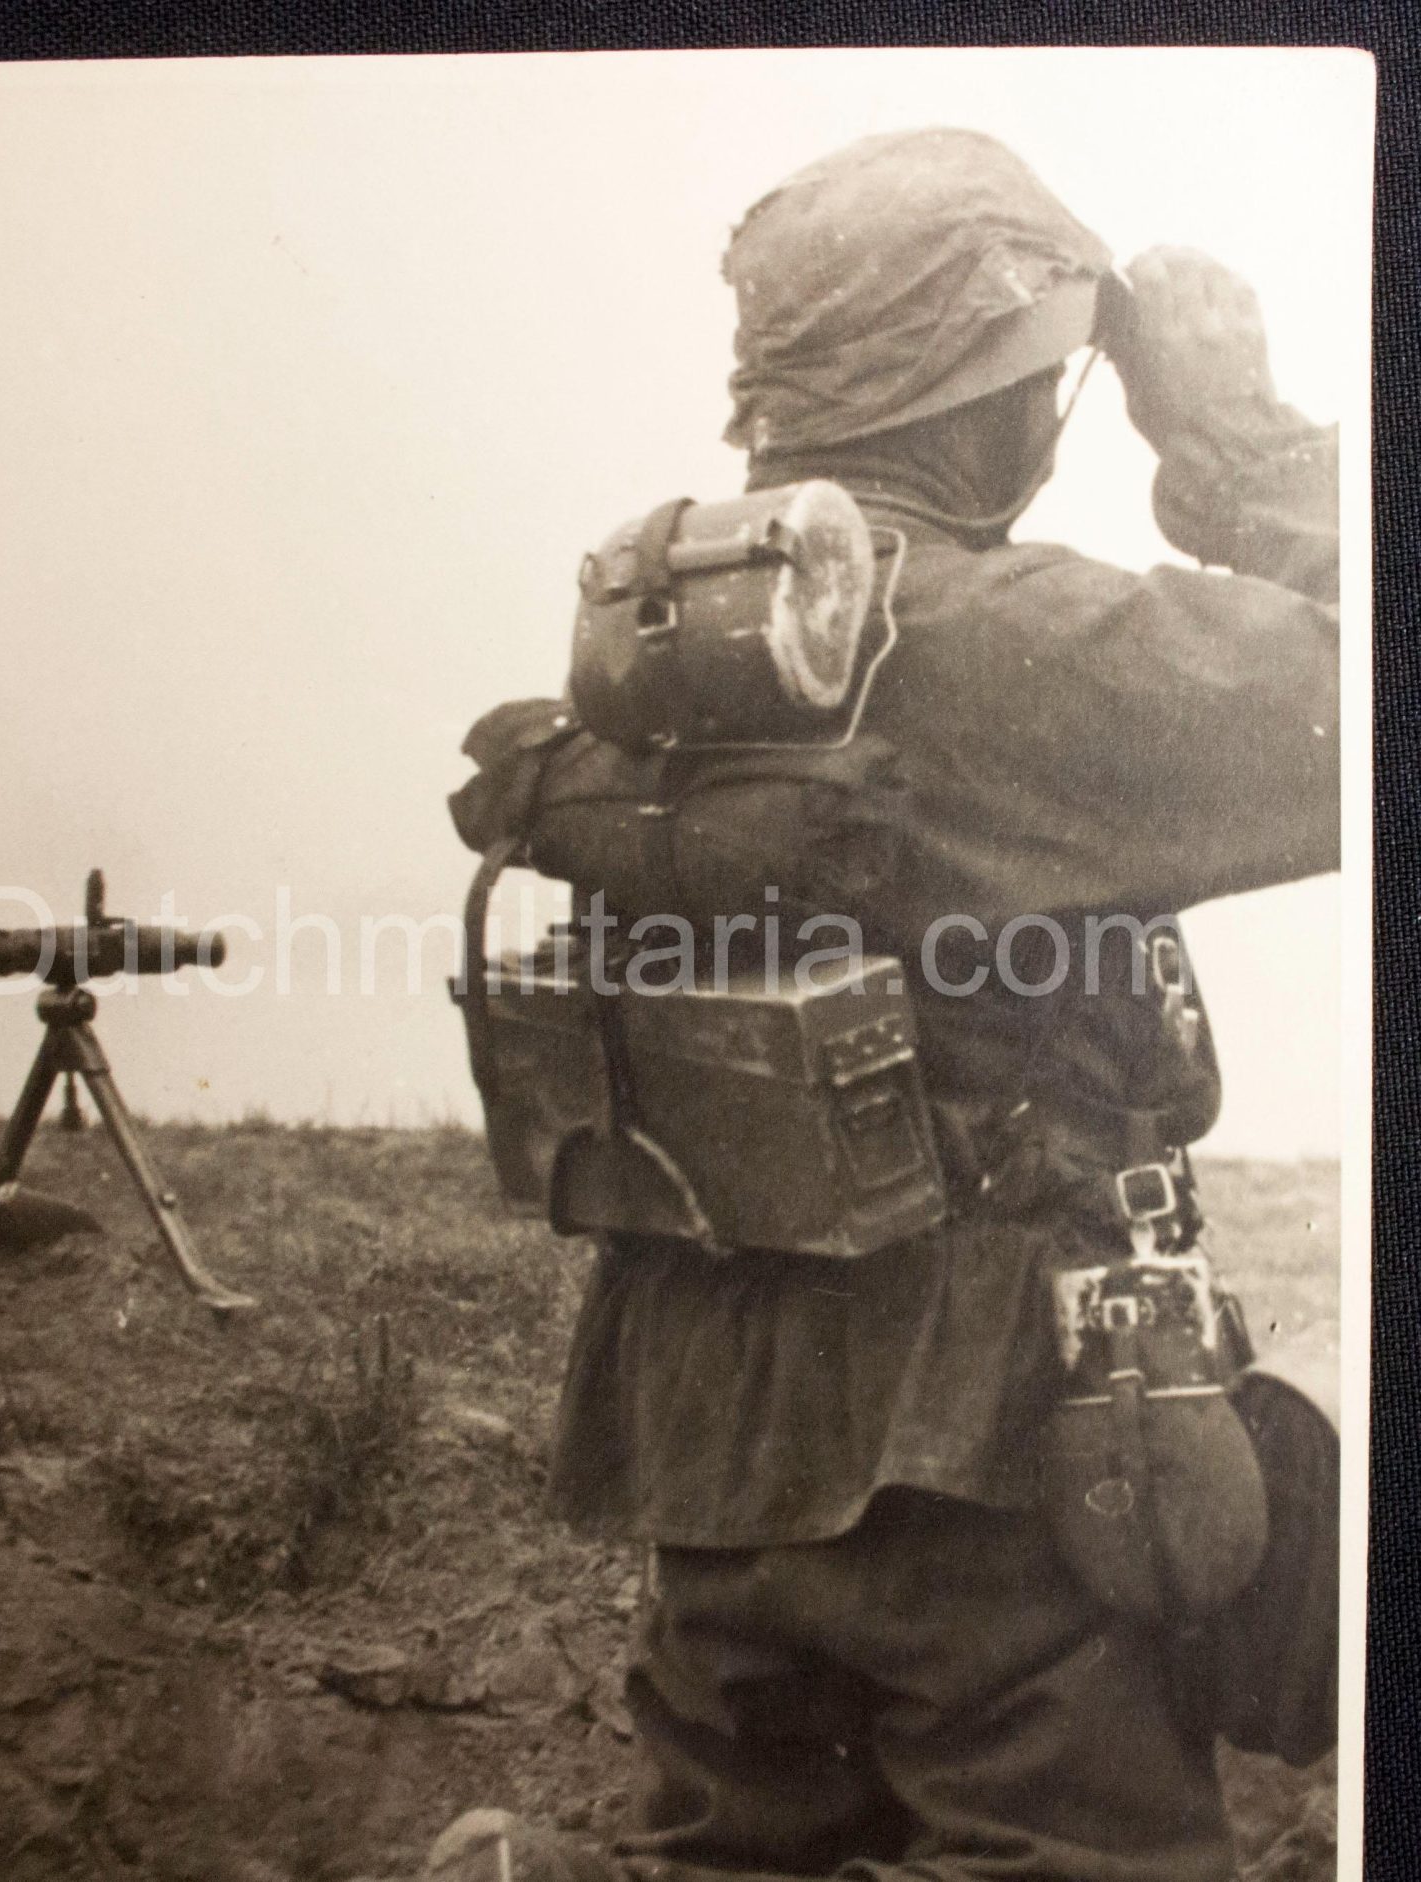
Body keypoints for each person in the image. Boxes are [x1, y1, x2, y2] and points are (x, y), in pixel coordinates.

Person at [431, 128, 1339, 1882]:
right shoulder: (1014, 643)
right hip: (991, 1452)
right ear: (983, 384)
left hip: (701, 1434)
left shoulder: (663, 644)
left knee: (738, 1852)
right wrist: (1236, 437)